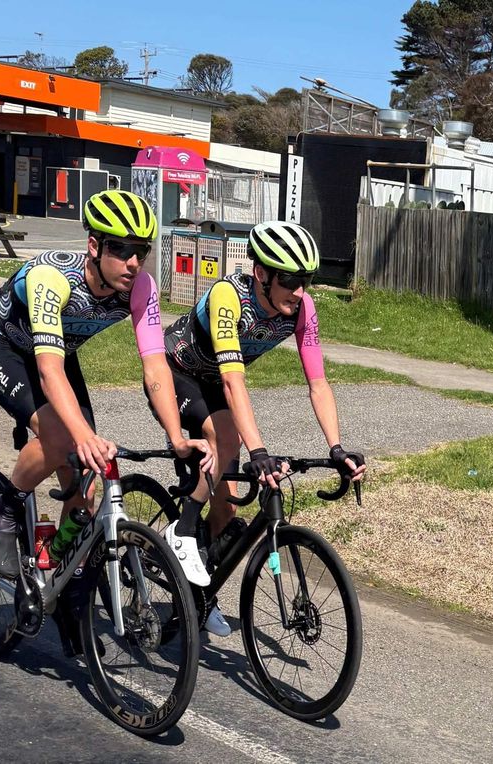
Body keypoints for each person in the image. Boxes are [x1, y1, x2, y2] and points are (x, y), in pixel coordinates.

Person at [0, 189, 214, 588]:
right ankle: (6, 505)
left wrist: (176, 436)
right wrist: (82, 435)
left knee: (85, 481)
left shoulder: (141, 287)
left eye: (141, 251)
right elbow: (48, 370)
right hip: (6, 350)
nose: (133, 262)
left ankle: (58, 572)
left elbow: (155, 366)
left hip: (59, 353)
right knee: (61, 438)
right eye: (121, 249)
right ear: (93, 245)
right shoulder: (52, 278)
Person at [154, 219, 367, 636]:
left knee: (228, 508)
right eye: (289, 280)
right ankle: (181, 529)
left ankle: (199, 594)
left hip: (216, 384)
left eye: (305, 280)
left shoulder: (302, 308)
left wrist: (337, 448)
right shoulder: (228, 297)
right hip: (177, 373)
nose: (299, 290)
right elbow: (233, 383)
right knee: (227, 438)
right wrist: (259, 452)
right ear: (261, 274)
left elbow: (318, 383)